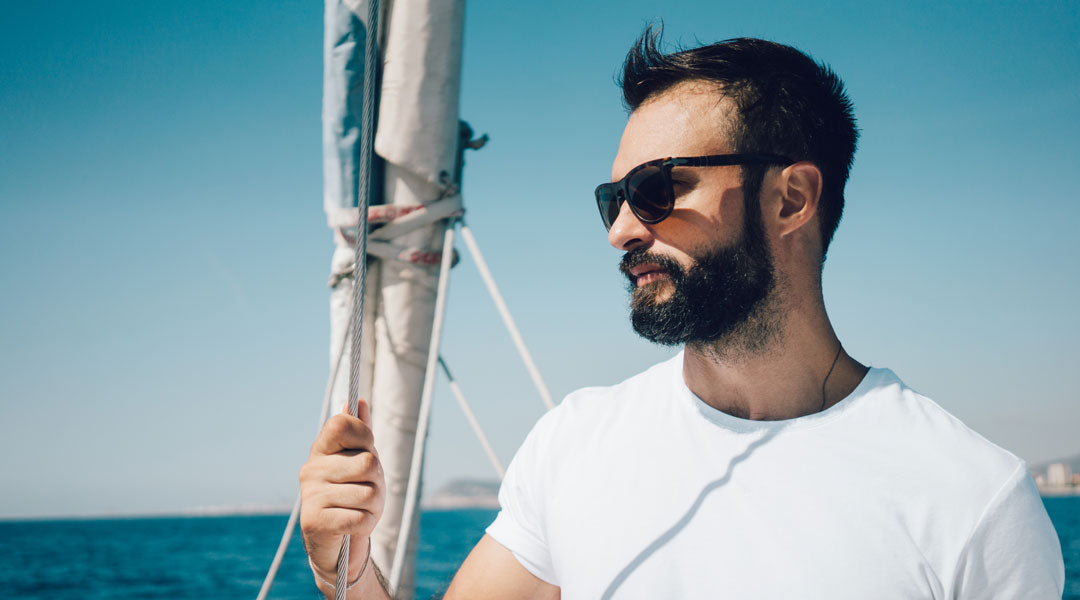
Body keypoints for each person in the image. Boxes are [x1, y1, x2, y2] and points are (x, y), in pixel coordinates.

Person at [298, 28, 1064, 599]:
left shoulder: (971, 500)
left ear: (791, 198)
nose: (621, 229)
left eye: (659, 189)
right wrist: (349, 564)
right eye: (614, 198)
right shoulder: (576, 443)